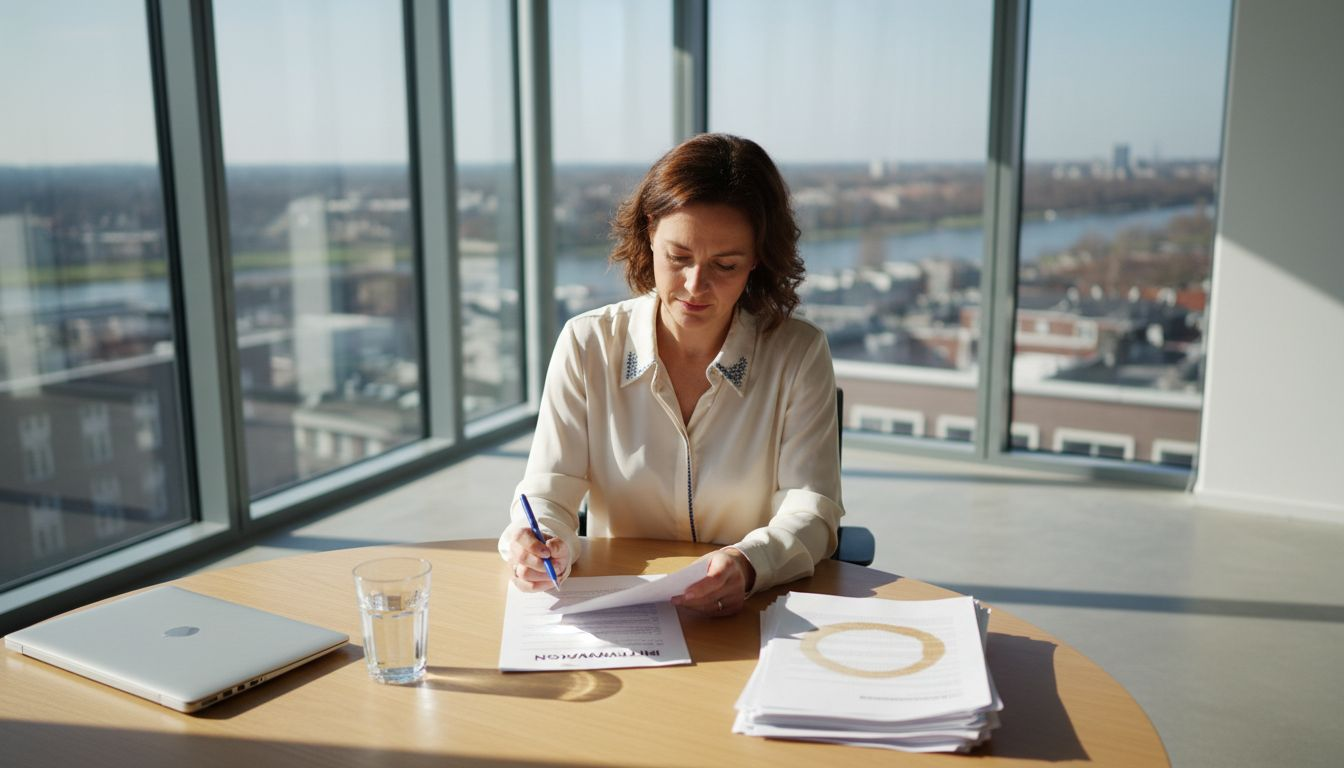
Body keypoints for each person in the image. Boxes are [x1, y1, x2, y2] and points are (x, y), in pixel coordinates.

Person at [498, 133, 843, 616]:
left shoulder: (798, 354)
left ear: (758, 260)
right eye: (678, 258)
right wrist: (540, 542)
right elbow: (548, 489)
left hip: (748, 610)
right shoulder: (588, 343)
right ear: (649, 233)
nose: (695, 286)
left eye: (726, 264)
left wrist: (750, 562)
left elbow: (812, 509)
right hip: (620, 609)